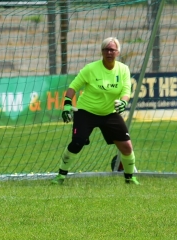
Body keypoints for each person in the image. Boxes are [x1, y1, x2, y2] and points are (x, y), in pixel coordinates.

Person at [51, 36, 139, 185]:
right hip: (86, 112)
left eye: (112, 49)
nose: (108, 52)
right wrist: (67, 104)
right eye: (105, 49)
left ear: (117, 52)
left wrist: (124, 102)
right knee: (77, 143)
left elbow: (126, 90)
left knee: (126, 146)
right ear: (102, 51)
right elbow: (73, 87)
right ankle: (60, 175)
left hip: (109, 113)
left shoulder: (123, 69)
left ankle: (130, 178)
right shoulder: (91, 68)